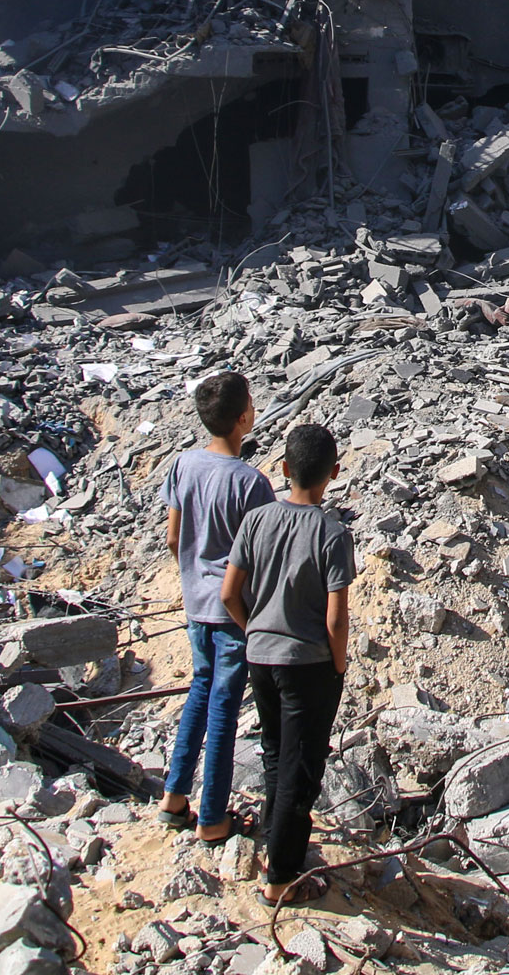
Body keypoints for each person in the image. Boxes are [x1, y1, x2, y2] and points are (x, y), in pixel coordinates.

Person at [222, 423, 353, 905]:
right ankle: (281, 878)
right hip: (309, 664)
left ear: (283, 469)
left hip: (261, 657)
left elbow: (228, 593)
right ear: (334, 473)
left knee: (277, 755)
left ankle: (274, 848)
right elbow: (335, 618)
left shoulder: (256, 521)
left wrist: (253, 629)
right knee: (302, 770)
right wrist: (338, 666)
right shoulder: (332, 533)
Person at [157, 371, 276, 843]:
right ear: (244, 416)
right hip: (234, 613)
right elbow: (262, 558)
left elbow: (172, 536)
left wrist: (193, 576)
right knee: (225, 709)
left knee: (199, 693)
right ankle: (212, 818)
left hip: (196, 606)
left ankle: (173, 797)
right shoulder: (252, 484)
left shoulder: (184, 465)